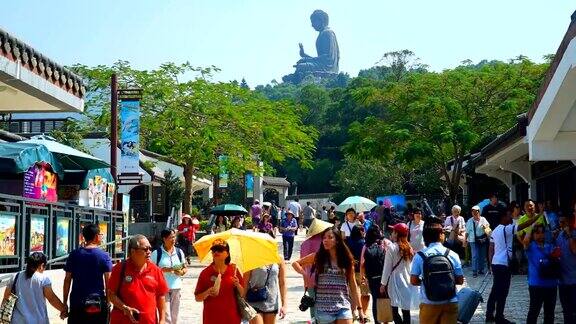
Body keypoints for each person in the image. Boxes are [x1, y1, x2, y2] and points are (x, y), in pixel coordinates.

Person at [293, 227, 366, 323]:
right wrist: (305, 275)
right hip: (323, 308)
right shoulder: (318, 257)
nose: (325, 240)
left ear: (337, 240)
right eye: (324, 238)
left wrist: (360, 309)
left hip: (343, 305)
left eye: (330, 237)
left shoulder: (346, 260)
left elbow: (353, 285)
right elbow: (296, 264)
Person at [485, 206, 541, 323]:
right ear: (504, 217)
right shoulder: (507, 229)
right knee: (503, 292)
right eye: (509, 215)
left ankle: (489, 315)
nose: (511, 217)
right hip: (504, 264)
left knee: (495, 290)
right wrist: (538, 216)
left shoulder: (495, 231)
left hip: (496, 263)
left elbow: (491, 249)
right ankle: (499, 317)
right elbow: (523, 225)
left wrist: (490, 264)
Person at [410, 217, 464, 324]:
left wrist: (428, 281)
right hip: (450, 302)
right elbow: (460, 280)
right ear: (440, 235)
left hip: (429, 303)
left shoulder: (420, 256)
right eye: (443, 232)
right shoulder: (452, 254)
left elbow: (413, 280)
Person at [108, 234, 169, 324]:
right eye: (145, 249)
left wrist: (162, 320)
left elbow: (161, 296)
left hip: (149, 321)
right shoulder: (120, 269)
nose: (149, 252)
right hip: (123, 321)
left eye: (150, 248)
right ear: (133, 251)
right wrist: (124, 307)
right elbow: (111, 295)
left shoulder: (156, 270)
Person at [63, 223, 112, 323]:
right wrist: (108, 302)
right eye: (100, 234)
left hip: (77, 302)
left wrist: (64, 303)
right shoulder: (104, 256)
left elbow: (67, 280)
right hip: (97, 303)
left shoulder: (74, 254)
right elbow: (109, 282)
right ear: (96, 236)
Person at [3, 252, 68, 323]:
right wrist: (63, 309)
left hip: (17, 321)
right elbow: (51, 298)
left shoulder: (15, 276)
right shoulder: (43, 279)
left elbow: (6, 297)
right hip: (38, 321)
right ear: (42, 265)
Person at [194, 239, 244, 324]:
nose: (216, 252)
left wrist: (238, 284)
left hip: (232, 317)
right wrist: (207, 292)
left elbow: (243, 294)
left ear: (227, 254)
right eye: (214, 250)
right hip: (212, 318)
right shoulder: (205, 273)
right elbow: (197, 298)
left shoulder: (234, 270)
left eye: (220, 250)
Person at [243, 237, 288, 324]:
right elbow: (245, 282)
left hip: (271, 301)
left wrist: (284, 305)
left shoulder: (279, 258)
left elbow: (282, 283)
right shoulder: (252, 258)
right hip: (253, 300)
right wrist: (242, 303)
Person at [521, 224, 559, 324]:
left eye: (542, 232)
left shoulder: (550, 246)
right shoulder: (531, 246)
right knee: (534, 311)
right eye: (537, 233)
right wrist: (531, 227)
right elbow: (525, 241)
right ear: (533, 235)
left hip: (551, 284)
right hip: (536, 285)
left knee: (549, 313)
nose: (540, 235)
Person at [381, 223, 418, 324]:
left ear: (396, 234)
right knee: (406, 310)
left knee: (394, 309)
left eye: (393, 231)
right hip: (407, 280)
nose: (392, 233)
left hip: (395, 281)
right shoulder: (409, 247)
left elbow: (387, 268)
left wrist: (383, 284)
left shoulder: (391, 248)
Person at [151, 229, 187, 324]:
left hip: (176, 287)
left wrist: (181, 272)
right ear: (164, 238)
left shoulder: (179, 252)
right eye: (171, 237)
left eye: (174, 237)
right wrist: (166, 270)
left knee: (174, 316)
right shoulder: (156, 253)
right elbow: (150, 269)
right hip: (162, 288)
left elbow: (184, 267)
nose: (173, 239)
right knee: (166, 315)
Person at [360, 224, 389, 323]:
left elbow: (362, 264)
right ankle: (385, 320)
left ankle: (377, 322)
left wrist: (362, 277)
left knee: (375, 300)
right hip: (383, 276)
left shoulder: (366, 246)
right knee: (384, 298)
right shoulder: (384, 243)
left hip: (371, 277)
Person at [557, 212, 576, 323]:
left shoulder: (574, 234)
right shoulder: (559, 235)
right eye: (560, 222)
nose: (561, 225)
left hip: (574, 280)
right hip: (562, 281)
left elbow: (574, 250)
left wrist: (569, 235)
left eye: (563, 222)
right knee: (566, 311)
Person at [347, 225, 370, 320]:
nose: (364, 232)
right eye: (363, 230)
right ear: (360, 232)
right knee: (365, 294)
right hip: (362, 272)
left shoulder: (348, 242)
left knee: (352, 294)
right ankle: (363, 314)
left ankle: (352, 313)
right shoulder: (364, 243)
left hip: (350, 271)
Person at [465, 206, 490, 277]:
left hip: (482, 239)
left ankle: (481, 269)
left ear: (479, 212)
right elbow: (467, 232)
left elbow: (487, 229)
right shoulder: (470, 221)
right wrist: (465, 241)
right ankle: (474, 271)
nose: (475, 213)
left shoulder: (483, 219)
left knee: (482, 255)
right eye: (473, 211)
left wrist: (489, 237)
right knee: (475, 255)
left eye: (476, 211)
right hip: (473, 240)